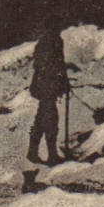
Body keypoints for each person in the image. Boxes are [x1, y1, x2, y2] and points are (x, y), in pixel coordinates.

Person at [27, 20, 72, 165]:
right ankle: (52, 155)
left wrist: (64, 82)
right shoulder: (50, 41)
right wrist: (59, 82)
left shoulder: (51, 40)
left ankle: (32, 152)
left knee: (42, 118)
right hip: (47, 86)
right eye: (57, 26)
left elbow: (59, 64)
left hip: (46, 85)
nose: (59, 28)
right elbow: (49, 66)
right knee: (51, 118)